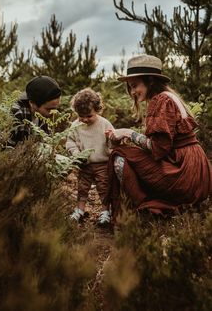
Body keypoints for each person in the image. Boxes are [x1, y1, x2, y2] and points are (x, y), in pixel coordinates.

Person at [105, 54, 212, 220]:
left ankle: (143, 210)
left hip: (184, 171)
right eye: (130, 88)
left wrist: (127, 133)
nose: (132, 92)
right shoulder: (170, 97)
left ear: (150, 81)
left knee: (120, 156)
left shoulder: (161, 100)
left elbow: (158, 149)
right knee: (130, 153)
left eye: (135, 86)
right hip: (196, 168)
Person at [66, 88, 114, 226]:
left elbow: (112, 141)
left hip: (102, 164)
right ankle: (79, 210)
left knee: (104, 188)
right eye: (81, 116)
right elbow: (70, 141)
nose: (85, 119)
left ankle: (105, 212)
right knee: (82, 187)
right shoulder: (75, 126)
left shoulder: (104, 124)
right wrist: (75, 153)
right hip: (84, 164)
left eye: (89, 116)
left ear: (97, 109)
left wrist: (113, 146)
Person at [7, 75, 61, 147]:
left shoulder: (44, 114)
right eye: (49, 109)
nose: (54, 112)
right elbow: (7, 150)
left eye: (56, 108)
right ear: (32, 103)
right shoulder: (17, 115)